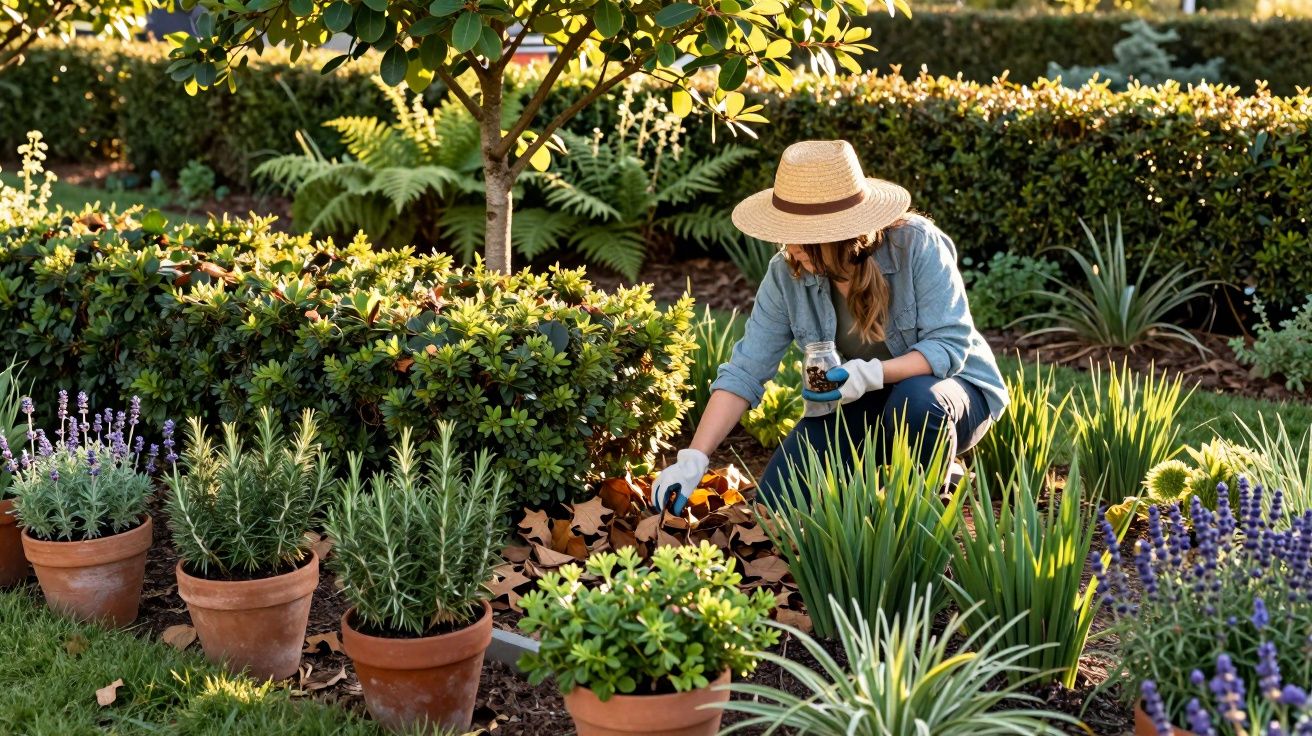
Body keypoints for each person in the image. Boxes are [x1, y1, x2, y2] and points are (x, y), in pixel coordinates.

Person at [652, 139, 1009, 513]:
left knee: (916, 401)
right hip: (860, 402)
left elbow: (949, 346)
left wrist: (872, 373)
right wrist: (694, 457)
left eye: (804, 234)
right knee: (776, 508)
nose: (791, 247)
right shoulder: (786, 274)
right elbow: (745, 371)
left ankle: (925, 520)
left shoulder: (915, 244)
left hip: (949, 396)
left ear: (843, 232)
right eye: (787, 230)